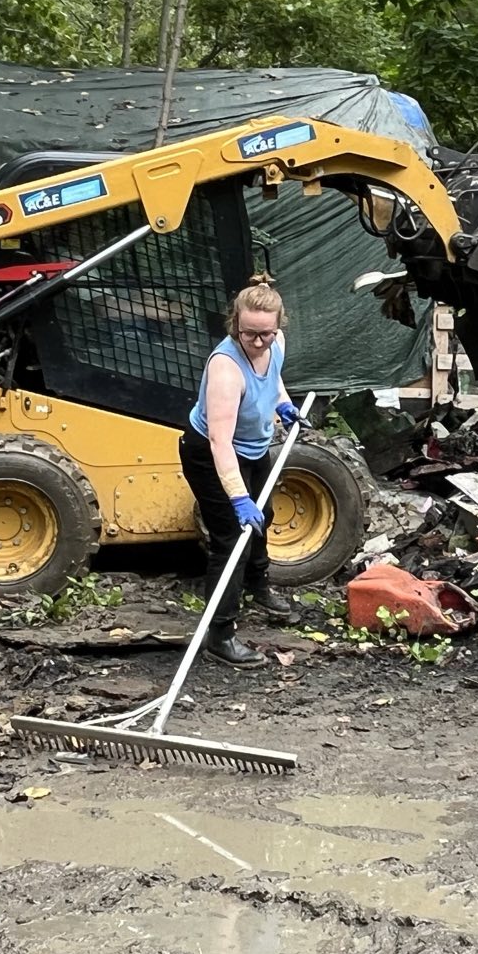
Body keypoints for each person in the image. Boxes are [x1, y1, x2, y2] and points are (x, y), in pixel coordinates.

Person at [178, 277, 300, 667]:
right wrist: (238, 496)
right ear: (235, 325)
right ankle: (221, 634)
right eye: (250, 334)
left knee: (265, 515)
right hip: (209, 451)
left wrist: (282, 404)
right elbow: (219, 442)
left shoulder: (275, 343)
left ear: (278, 327)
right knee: (232, 538)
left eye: (267, 333)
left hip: (253, 447)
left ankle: (258, 585)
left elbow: (273, 376)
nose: (259, 342)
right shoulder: (225, 369)